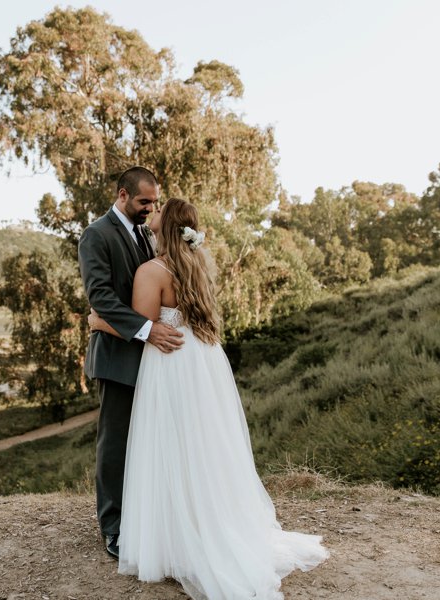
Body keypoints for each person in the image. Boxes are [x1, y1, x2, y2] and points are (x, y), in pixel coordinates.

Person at [89, 198, 329, 599]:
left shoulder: (152, 270)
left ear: (166, 225)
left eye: (160, 208)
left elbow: (139, 324)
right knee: (203, 446)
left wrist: (97, 320)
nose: (155, 210)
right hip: (203, 360)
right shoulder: (199, 262)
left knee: (169, 445)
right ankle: (209, 521)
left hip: (170, 365)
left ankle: (177, 535)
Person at [77, 167, 185, 560]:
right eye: (144, 202)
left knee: (149, 442)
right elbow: (101, 298)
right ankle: (114, 529)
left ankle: (145, 519)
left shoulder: (145, 234)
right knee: (116, 445)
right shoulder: (97, 235)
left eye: (154, 203)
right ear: (123, 195)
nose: (150, 208)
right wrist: (147, 329)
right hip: (117, 357)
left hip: (153, 362)